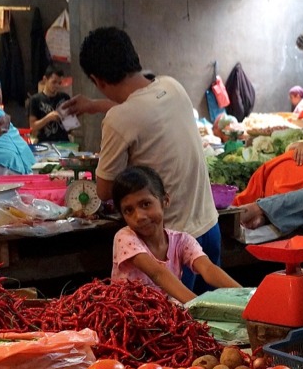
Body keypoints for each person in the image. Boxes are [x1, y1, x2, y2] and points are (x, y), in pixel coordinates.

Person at [63, 27, 220, 292]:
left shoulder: (118, 120)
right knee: (214, 325)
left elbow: (103, 191)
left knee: (181, 327)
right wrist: (94, 104)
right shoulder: (172, 86)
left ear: (96, 79)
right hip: (209, 228)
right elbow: (140, 108)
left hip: (170, 246)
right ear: (133, 57)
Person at [112, 166, 240, 304]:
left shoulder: (182, 241)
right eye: (128, 210)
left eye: (146, 204)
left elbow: (208, 269)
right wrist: (198, 306)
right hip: (128, 315)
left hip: (162, 313)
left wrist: (245, 296)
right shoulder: (125, 237)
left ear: (165, 201)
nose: (139, 216)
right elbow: (157, 273)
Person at [27, 65, 71, 143]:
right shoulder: (35, 100)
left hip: (64, 142)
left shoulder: (65, 98)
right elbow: (33, 126)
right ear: (45, 79)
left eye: (59, 83)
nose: (57, 86)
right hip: (44, 143)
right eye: (54, 82)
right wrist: (48, 118)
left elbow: (70, 126)